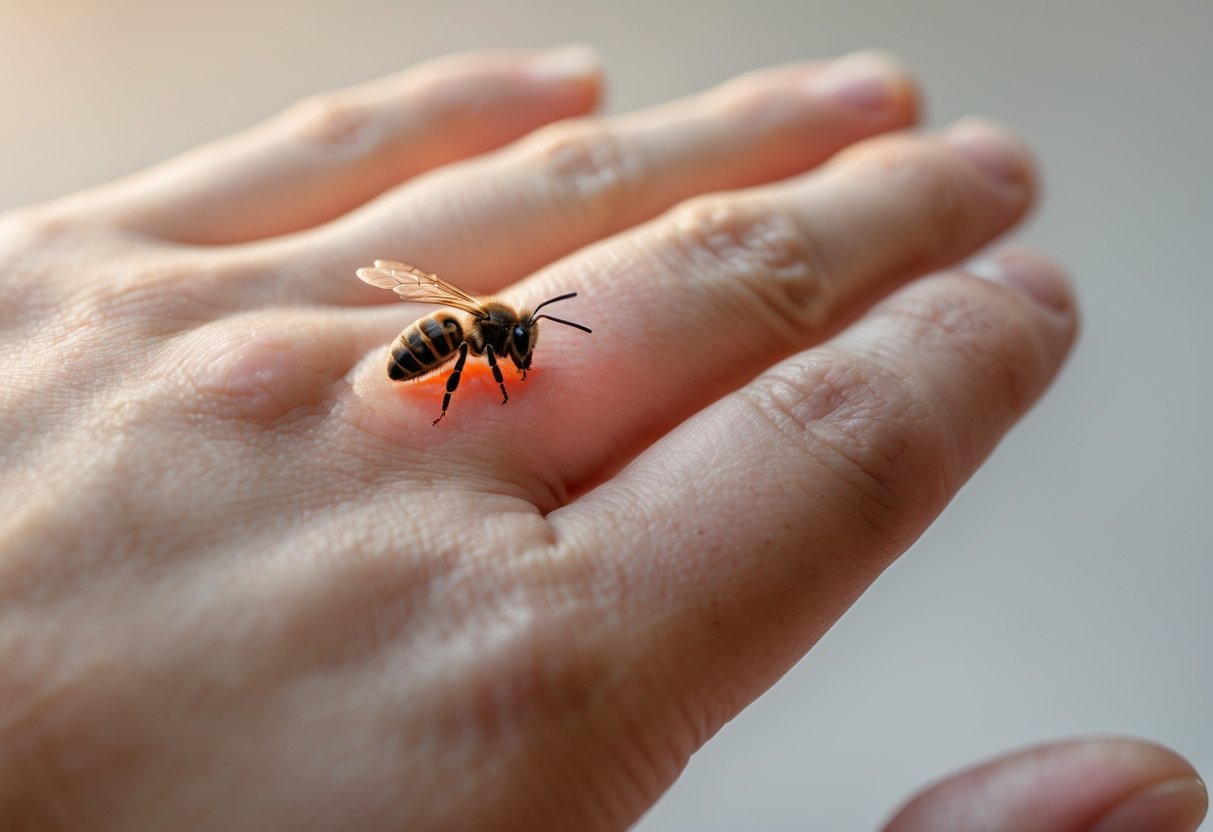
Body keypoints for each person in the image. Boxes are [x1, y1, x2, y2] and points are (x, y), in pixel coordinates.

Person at [0, 45, 1204, 832]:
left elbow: (470, 344)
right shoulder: (475, 342)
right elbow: (471, 356)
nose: (507, 352)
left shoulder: (477, 328)